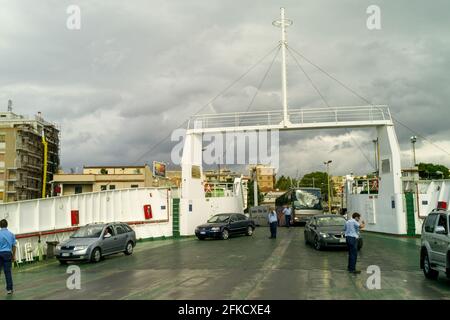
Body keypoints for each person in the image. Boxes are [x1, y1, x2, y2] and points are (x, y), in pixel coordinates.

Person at [0, 219, 16, 294]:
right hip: (7, 254)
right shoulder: (11, 234)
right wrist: (13, 255)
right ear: (7, 225)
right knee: (7, 272)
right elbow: (14, 246)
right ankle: (9, 289)